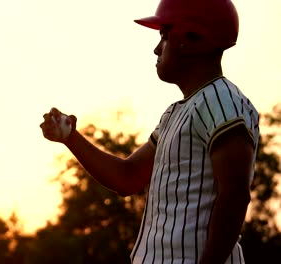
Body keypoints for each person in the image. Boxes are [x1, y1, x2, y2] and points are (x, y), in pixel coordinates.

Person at [39, 0, 259, 263]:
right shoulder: (177, 112)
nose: (156, 48)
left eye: (164, 36)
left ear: (189, 39)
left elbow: (235, 195)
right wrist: (70, 137)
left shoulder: (221, 102)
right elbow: (127, 177)